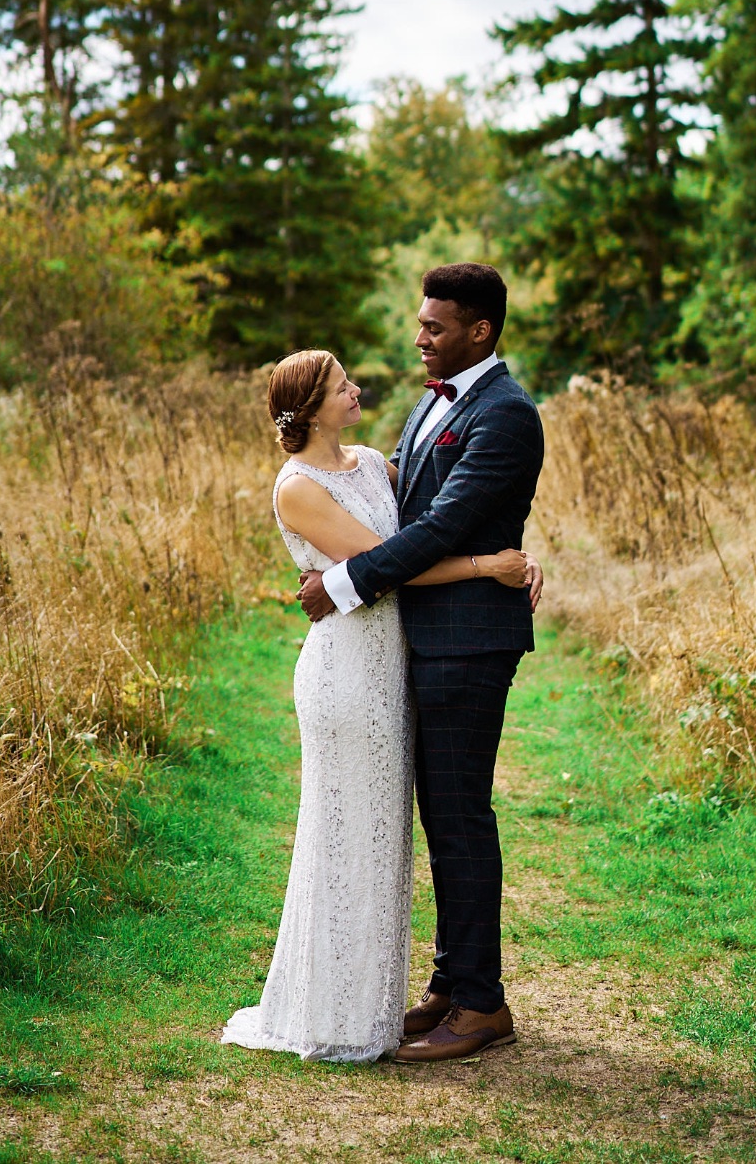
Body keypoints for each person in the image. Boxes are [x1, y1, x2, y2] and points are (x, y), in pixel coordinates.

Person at [221, 342, 541, 1063]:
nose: (356, 390)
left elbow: (441, 517)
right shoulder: (297, 487)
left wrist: (515, 554)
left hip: (393, 664)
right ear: (309, 408)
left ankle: (400, 994)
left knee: (387, 834)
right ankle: (334, 1009)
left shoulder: (371, 462)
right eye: (342, 385)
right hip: (346, 671)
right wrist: (488, 567)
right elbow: (391, 564)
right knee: (345, 832)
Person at [298, 262, 545, 1063]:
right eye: (421, 322)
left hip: (469, 640)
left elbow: (440, 527)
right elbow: (398, 503)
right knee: (442, 816)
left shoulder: (506, 415)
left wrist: (342, 583)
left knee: (461, 816)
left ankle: (482, 1004)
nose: (419, 338)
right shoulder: (433, 402)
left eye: (434, 326)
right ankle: (450, 982)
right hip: (427, 635)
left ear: (479, 329)